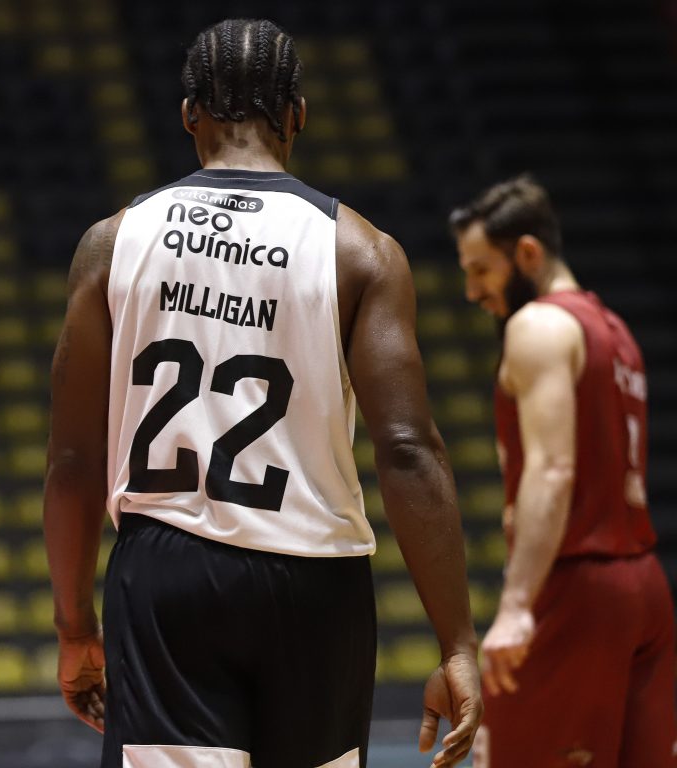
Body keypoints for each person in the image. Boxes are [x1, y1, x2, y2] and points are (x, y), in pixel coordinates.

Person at [44, 18, 481, 768]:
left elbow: (73, 461)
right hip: (316, 580)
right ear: (298, 114)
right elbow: (408, 450)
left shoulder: (111, 243)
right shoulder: (362, 252)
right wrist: (458, 644)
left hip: (168, 572)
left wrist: (74, 627)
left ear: (189, 114)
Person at [449, 174, 676, 767]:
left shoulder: (539, 327)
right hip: (644, 587)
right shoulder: (615, 330)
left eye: (481, 270)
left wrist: (516, 605)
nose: (472, 291)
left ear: (527, 253)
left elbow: (552, 470)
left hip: (576, 589)